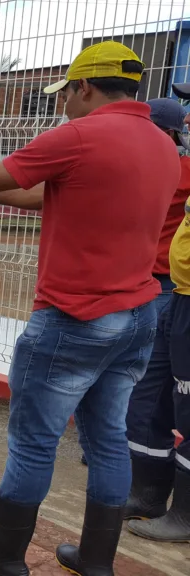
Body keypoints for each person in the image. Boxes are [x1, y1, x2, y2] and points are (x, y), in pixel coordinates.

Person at [0, 42, 180, 575]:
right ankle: (95, 561)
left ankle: (4, 556)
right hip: (138, 315)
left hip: (74, 318)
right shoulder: (163, 145)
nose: (62, 104)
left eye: (65, 93)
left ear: (85, 87)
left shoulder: (79, 135)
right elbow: (41, 193)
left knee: (33, 440)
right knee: (108, 437)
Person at [124, 89, 190, 542]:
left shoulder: (173, 168)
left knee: (181, 401)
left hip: (166, 289)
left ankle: (183, 513)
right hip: (172, 293)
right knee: (149, 393)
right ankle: (148, 493)